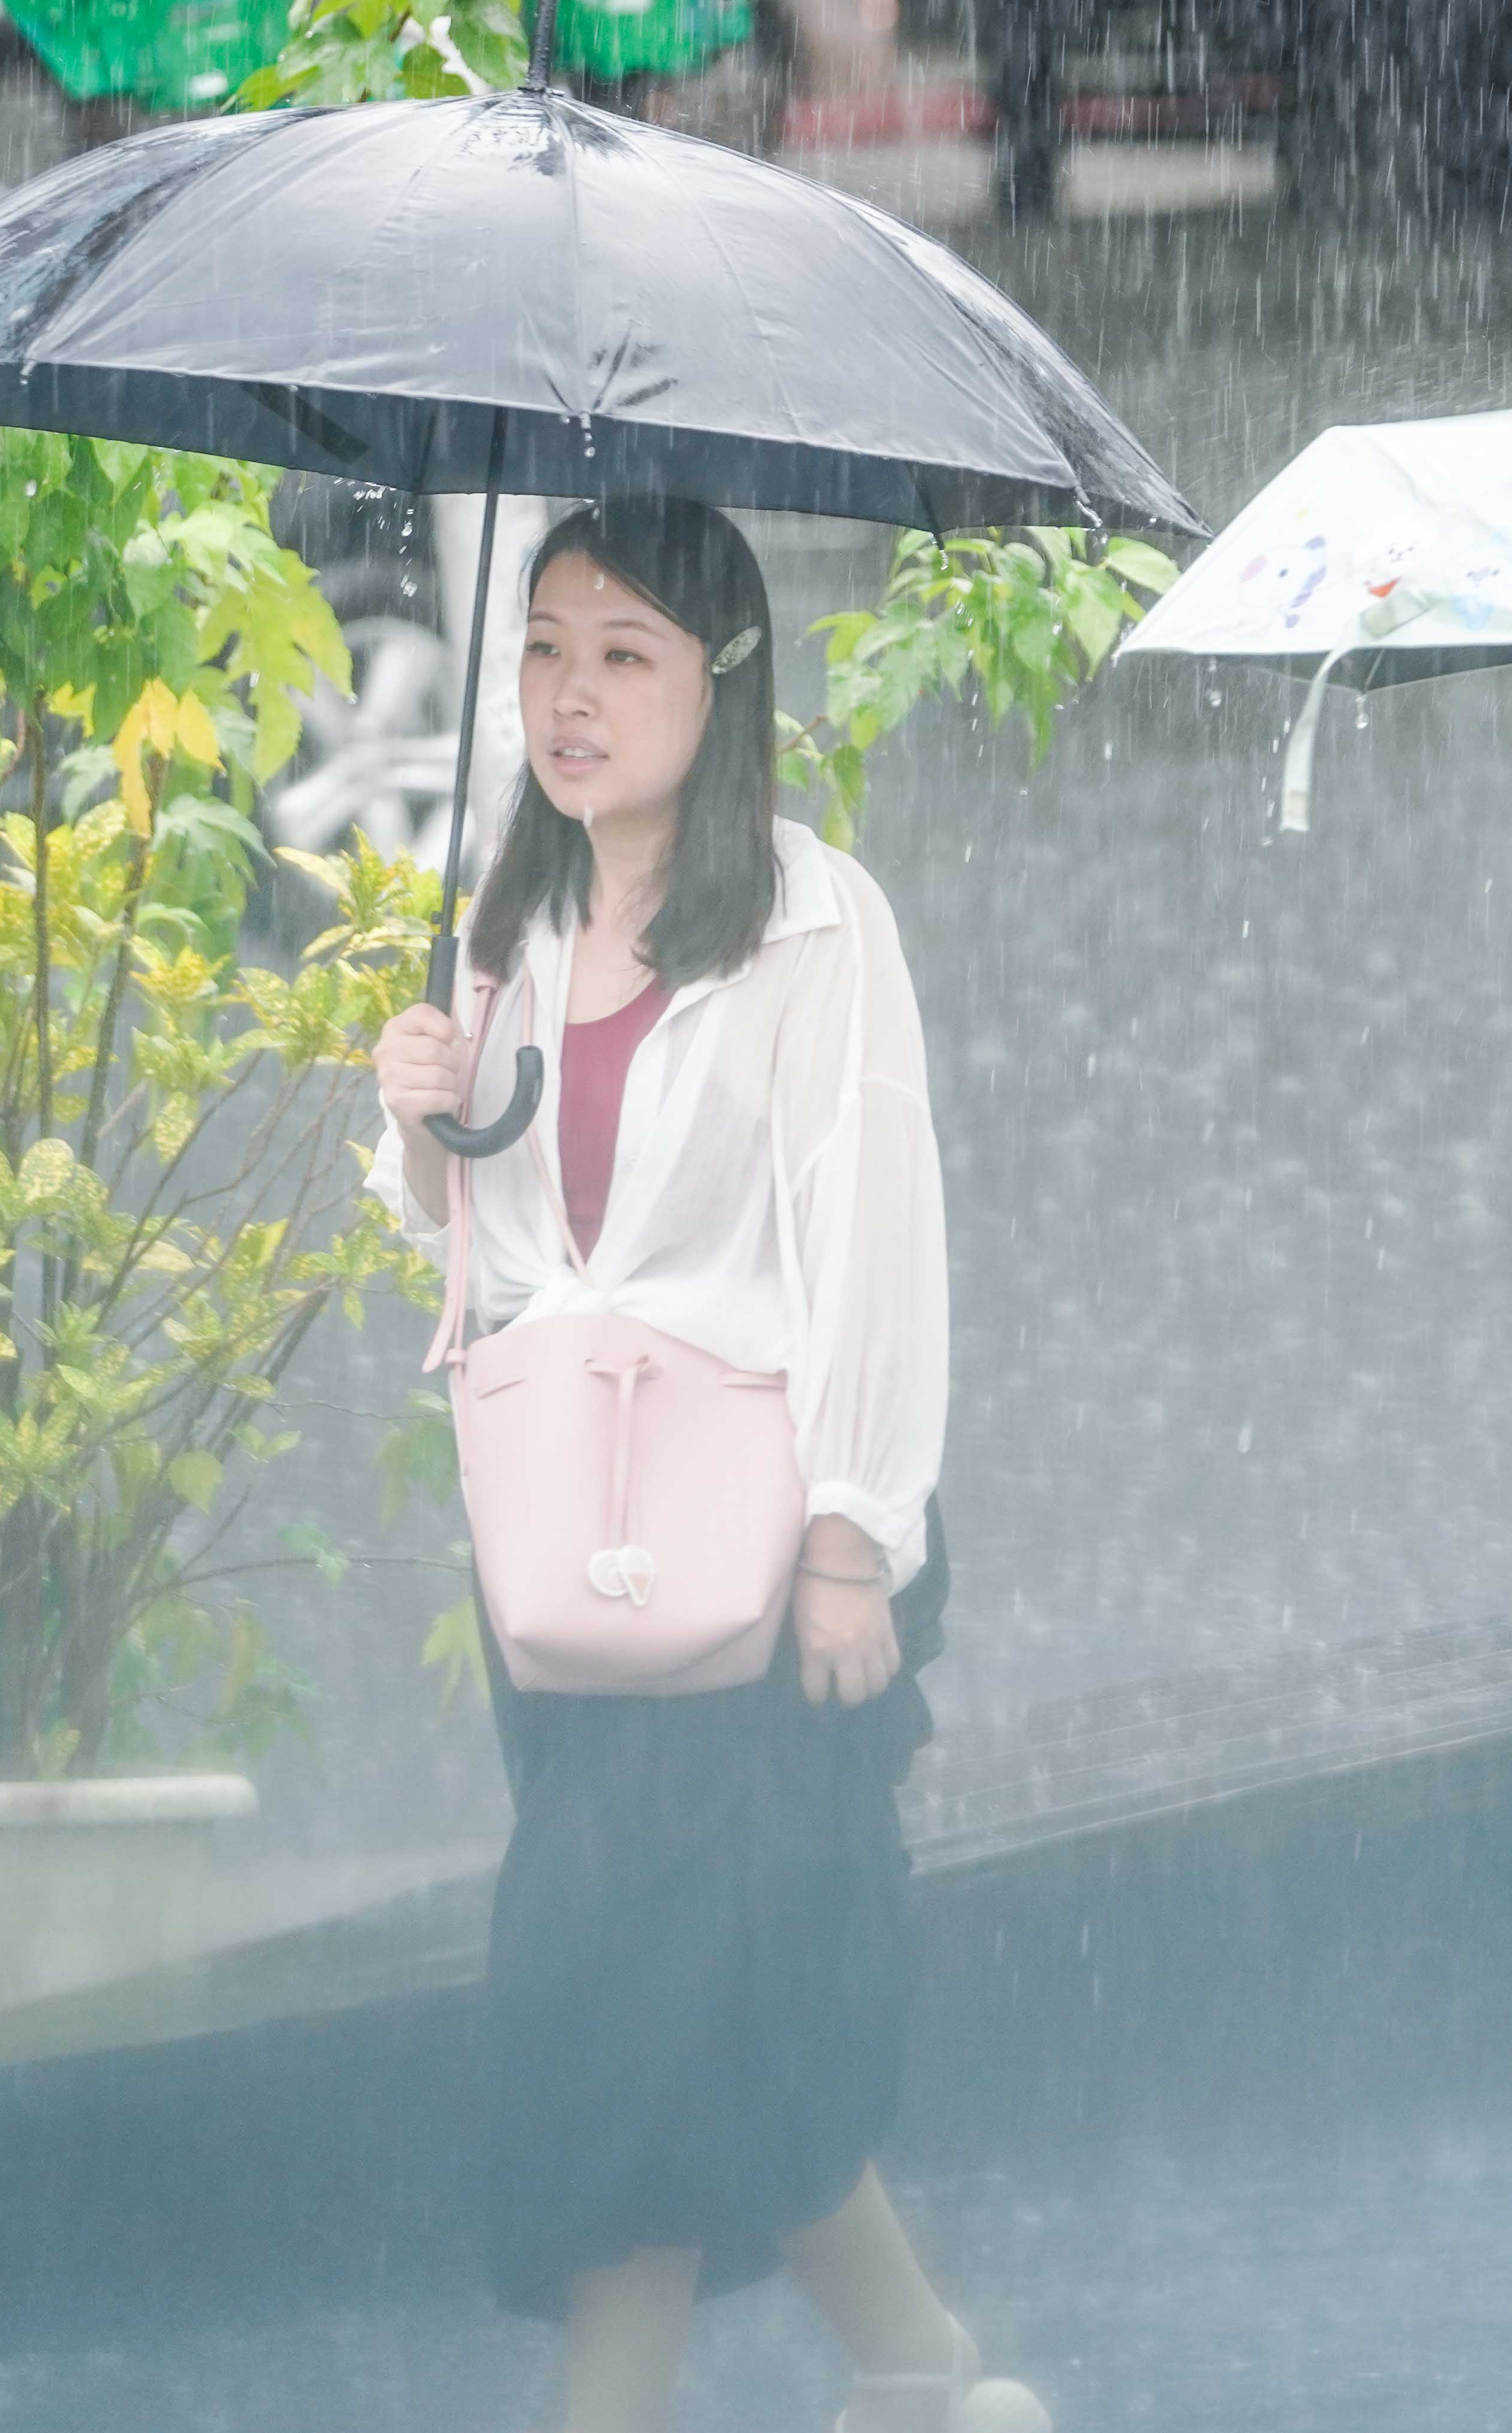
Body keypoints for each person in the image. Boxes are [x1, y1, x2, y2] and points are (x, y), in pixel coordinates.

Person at [369, 499, 1048, 2433]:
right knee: (707, 2023)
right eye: (546, 648)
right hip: (572, 1572)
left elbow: (872, 1235)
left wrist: (853, 1536)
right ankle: (919, 2368)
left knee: (613, 2033)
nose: (569, 698)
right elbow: (498, 1259)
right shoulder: (509, 919)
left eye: (625, 654)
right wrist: (429, 1127)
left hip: (771, 1569)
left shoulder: (815, 922)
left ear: (720, 687)